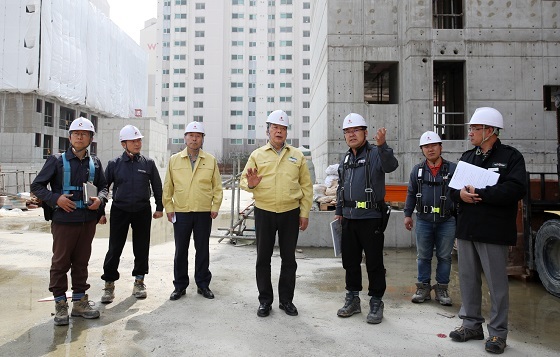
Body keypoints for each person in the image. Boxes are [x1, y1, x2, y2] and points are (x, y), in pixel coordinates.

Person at [448, 107, 527, 354]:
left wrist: (481, 194)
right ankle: (471, 324)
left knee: (496, 285)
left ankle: (497, 333)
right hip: (467, 229)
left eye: (475, 128)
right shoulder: (467, 157)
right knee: (468, 280)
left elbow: (515, 189)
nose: (470, 132)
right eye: (470, 128)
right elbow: (452, 190)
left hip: (493, 231)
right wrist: (460, 194)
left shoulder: (511, 157)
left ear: (490, 131)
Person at [31, 117, 108, 326]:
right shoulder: (57, 160)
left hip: (87, 220)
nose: (80, 137)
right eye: (76, 133)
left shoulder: (96, 162)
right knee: (60, 262)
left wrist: (99, 200)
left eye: (84, 134)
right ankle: (60, 304)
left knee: (81, 262)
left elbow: (103, 187)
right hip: (64, 221)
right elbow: (37, 186)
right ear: (70, 137)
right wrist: (56, 199)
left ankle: (79, 302)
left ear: (91, 138)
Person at [240, 110, 313, 317]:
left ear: (287, 132)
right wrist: (251, 184)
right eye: (275, 128)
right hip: (264, 211)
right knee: (263, 258)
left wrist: (304, 212)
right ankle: (265, 301)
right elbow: (244, 181)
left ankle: (286, 301)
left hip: (290, 212)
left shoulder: (297, 155)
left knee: (288, 259)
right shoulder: (257, 155)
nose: (279, 131)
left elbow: (306, 186)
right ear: (268, 130)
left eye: (282, 128)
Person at [334, 113, 398, 324]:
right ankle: (352, 299)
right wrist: (339, 211)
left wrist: (383, 146)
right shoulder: (345, 158)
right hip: (349, 218)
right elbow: (341, 187)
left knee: (374, 262)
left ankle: (376, 301)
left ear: (365, 133)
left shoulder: (375, 153)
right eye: (347, 132)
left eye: (355, 130)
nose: (351, 135)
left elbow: (391, 166)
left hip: (371, 217)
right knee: (350, 262)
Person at [100, 125, 164, 304]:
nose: (138, 144)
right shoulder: (114, 164)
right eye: (133, 141)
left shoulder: (148, 163)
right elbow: (104, 188)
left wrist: (159, 207)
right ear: (123, 144)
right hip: (120, 210)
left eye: (139, 140)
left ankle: (139, 281)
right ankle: (109, 283)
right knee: (115, 248)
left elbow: (157, 186)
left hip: (142, 210)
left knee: (142, 247)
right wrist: (100, 212)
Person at [163, 121, 223, 301]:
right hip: (181, 212)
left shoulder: (210, 160)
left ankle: (203, 284)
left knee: (202, 249)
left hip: (204, 212)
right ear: (185, 138)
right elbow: (168, 186)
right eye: (191, 135)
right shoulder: (175, 160)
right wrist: (169, 207)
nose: (194, 139)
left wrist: (215, 206)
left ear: (202, 139)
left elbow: (217, 187)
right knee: (181, 250)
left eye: (198, 136)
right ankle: (180, 286)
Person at [403, 131, 456, 306]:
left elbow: (460, 194)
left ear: (441, 147)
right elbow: (411, 193)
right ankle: (423, 288)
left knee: (444, 257)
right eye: (426, 146)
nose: (430, 149)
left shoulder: (453, 169)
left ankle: (442, 288)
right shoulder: (417, 171)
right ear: (422, 150)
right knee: (423, 256)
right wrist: (407, 215)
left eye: (433, 145)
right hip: (424, 220)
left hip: (446, 220)